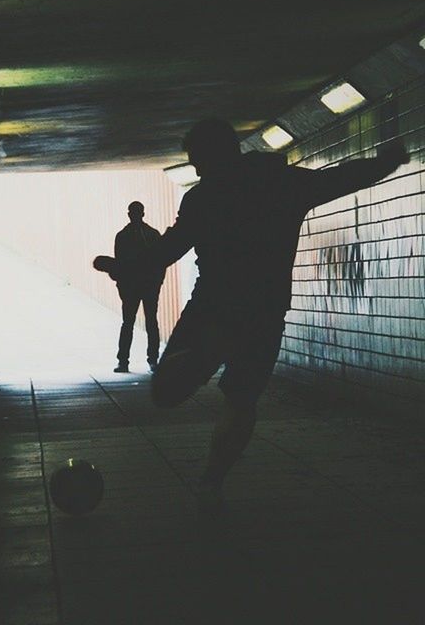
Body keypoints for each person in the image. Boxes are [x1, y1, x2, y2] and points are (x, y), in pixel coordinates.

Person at [94, 118, 409, 514]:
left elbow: (167, 251)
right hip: (265, 311)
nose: (195, 169)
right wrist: (385, 163)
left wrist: (121, 268)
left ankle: (207, 352)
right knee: (242, 402)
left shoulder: (203, 198)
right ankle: (211, 482)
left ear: (213, 155)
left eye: (197, 161)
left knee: (166, 393)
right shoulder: (285, 184)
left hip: (211, 308)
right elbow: (342, 178)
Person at [111, 201, 165, 373]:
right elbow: (160, 262)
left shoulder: (122, 236)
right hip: (148, 285)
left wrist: (122, 285)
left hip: (132, 286)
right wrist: (158, 282)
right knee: (150, 322)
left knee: (128, 323)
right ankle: (152, 360)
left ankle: (123, 361)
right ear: (143, 213)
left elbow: (119, 264)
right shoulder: (153, 234)